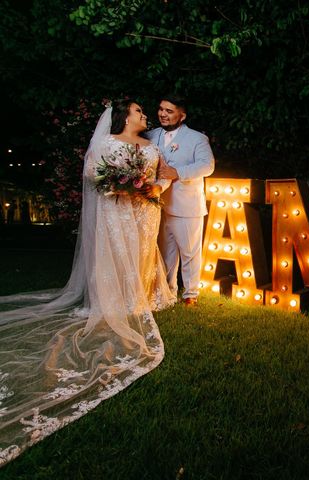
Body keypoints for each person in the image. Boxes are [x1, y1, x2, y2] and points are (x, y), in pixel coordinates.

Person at [0, 99, 176, 466]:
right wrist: (122, 186)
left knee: (143, 253)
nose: (144, 116)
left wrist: (156, 185)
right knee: (119, 253)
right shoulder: (107, 144)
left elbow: (167, 174)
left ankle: (141, 293)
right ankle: (116, 297)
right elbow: (94, 177)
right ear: (125, 117)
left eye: (145, 113)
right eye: (139, 111)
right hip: (118, 211)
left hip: (146, 211)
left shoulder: (153, 147)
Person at [146, 95, 215, 306]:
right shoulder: (150, 135)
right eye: (161, 109)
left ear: (181, 115)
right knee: (165, 251)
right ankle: (168, 292)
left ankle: (190, 294)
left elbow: (207, 166)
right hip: (157, 204)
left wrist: (178, 172)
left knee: (189, 252)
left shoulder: (197, 138)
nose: (163, 114)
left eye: (169, 111)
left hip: (186, 205)